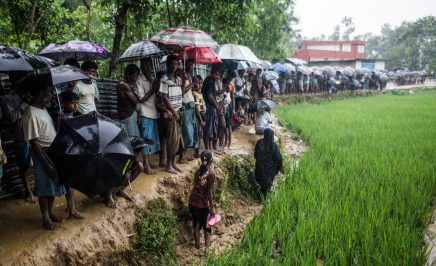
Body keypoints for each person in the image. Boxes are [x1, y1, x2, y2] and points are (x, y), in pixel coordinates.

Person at [21, 73, 66, 230]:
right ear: (41, 93)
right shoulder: (30, 113)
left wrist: (58, 121)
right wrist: (46, 164)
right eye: (49, 91)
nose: (51, 94)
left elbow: (47, 129)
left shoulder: (42, 109)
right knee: (44, 187)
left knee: (52, 185)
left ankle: (50, 213)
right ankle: (45, 219)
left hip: (51, 151)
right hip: (42, 154)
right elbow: (34, 143)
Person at [1, 71, 35, 203]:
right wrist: (24, 104)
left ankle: (37, 189)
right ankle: (28, 191)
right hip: (22, 136)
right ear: (15, 81)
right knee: (24, 166)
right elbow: (13, 118)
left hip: (35, 134)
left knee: (37, 163)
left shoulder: (32, 93)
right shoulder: (7, 99)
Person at [58, 91, 85, 219]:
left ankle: (71, 206)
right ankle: (72, 209)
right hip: (65, 151)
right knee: (69, 180)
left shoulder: (78, 115)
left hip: (75, 150)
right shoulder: (61, 116)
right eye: (72, 103)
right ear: (64, 103)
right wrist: (60, 122)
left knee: (71, 180)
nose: (75, 105)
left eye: (77, 102)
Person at [160, 54, 184, 174]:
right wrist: (174, 112)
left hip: (179, 111)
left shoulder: (178, 79)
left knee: (178, 139)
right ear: (167, 64)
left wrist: (184, 79)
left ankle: (173, 163)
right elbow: (164, 97)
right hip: (171, 113)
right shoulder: (164, 78)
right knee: (172, 139)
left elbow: (181, 93)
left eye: (176, 64)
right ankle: (168, 164)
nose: (174, 66)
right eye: (172, 64)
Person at [136, 59, 160, 174]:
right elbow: (141, 99)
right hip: (145, 113)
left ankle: (148, 162)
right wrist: (153, 88)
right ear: (143, 65)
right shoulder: (139, 79)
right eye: (147, 64)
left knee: (151, 139)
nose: (150, 67)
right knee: (145, 139)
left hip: (153, 112)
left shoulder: (151, 79)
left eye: (151, 65)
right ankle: (145, 164)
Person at [188, 150, 215, 251]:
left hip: (192, 202)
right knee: (207, 225)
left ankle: (197, 246)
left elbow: (197, 186)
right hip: (202, 205)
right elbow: (208, 192)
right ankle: (207, 249)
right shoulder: (211, 175)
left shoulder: (197, 172)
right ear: (211, 161)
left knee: (196, 224)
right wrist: (212, 208)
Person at [179, 60, 199, 163]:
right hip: (185, 105)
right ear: (185, 63)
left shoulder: (190, 75)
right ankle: (181, 156)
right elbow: (182, 92)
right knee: (186, 131)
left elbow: (191, 89)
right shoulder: (182, 74)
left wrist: (195, 85)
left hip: (191, 105)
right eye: (190, 64)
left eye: (192, 64)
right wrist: (192, 84)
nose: (192, 66)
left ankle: (185, 155)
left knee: (192, 131)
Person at [254, 128, 282, 197]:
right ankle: (263, 199)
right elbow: (279, 159)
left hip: (259, 169)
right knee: (267, 185)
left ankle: (261, 196)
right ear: (272, 136)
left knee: (263, 184)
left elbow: (255, 155)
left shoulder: (259, 142)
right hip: (270, 170)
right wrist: (277, 169)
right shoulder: (274, 145)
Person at [202, 64, 222, 154]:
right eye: (216, 74)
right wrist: (217, 106)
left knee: (212, 128)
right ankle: (207, 148)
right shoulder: (208, 80)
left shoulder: (212, 81)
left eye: (219, 75)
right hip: (208, 107)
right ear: (212, 73)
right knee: (208, 128)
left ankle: (210, 147)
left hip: (211, 107)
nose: (218, 76)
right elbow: (209, 96)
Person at [117, 64, 140, 137]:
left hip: (129, 114)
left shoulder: (127, 84)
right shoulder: (123, 84)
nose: (136, 79)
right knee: (131, 140)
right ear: (128, 74)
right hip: (127, 115)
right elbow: (135, 101)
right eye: (135, 76)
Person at [192, 75, 205, 158]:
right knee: (197, 134)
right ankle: (196, 152)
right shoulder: (194, 93)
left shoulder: (200, 93)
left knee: (200, 134)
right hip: (198, 116)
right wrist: (200, 120)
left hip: (202, 115)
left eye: (200, 83)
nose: (199, 85)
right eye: (197, 83)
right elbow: (197, 108)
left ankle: (197, 151)